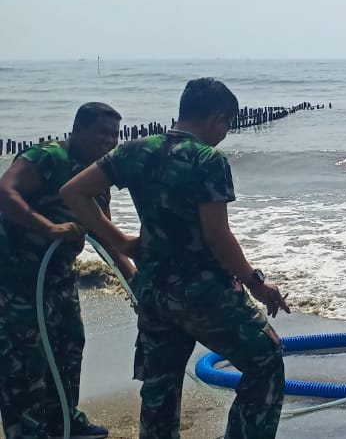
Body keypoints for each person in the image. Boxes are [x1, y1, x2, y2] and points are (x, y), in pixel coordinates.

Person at [61, 78, 291, 439]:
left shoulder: (133, 150)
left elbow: (73, 192)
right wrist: (256, 282)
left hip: (153, 291)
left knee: (160, 389)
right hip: (205, 293)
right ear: (217, 119)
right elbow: (217, 235)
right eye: (227, 125)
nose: (225, 134)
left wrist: (120, 241)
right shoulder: (207, 159)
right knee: (266, 361)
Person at [0, 103, 123, 439]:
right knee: (23, 356)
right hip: (15, 278)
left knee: (69, 344)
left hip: (59, 276)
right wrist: (49, 228)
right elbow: (4, 193)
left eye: (115, 135)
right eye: (102, 132)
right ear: (78, 128)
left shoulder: (98, 174)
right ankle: (26, 430)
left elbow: (107, 234)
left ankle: (64, 419)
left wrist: (133, 279)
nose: (110, 141)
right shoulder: (47, 157)